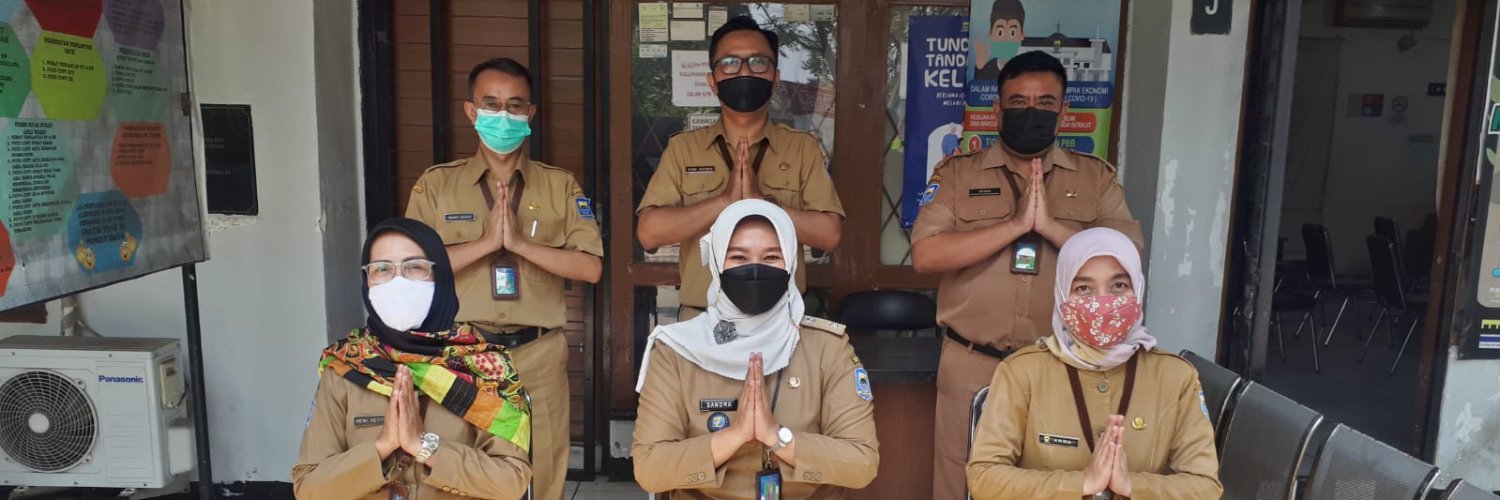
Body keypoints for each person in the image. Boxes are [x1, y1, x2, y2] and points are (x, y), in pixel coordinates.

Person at [911, 50, 1143, 499]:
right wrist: (1013, 225)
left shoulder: (1096, 180)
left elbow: (1128, 260)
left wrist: (1050, 227)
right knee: (961, 480)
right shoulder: (958, 175)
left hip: (1061, 363)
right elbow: (926, 255)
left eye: (1043, 102)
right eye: (1017, 102)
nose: (1029, 112)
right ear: (997, 110)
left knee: (1052, 481)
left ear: (1063, 111)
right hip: (971, 362)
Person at [405, 58, 603, 500]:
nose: (503, 115)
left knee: (542, 471)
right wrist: (484, 243)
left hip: (537, 355)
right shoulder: (437, 186)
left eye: (515, 106)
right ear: (470, 111)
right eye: (491, 104)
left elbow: (590, 267)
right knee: (456, 470)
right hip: (460, 354)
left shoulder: (559, 187)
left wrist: (519, 244)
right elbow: (413, 270)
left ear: (530, 114)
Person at [632, 200, 878, 499]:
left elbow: (862, 462)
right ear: (717, 263)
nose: (755, 269)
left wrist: (776, 437)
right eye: (738, 257)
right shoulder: (677, 350)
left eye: (772, 257)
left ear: (790, 264)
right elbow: (650, 469)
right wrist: (734, 437)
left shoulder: (827, 348)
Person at [967, 228, 1222, 499]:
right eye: (1084, 288)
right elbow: (984, 477)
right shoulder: (1022, 372)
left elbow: (1205, 486)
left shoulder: (1175, 376)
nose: (1102, 301)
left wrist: (1132, 486)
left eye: (1119, 286)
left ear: (1138, 288)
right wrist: (1083, 483)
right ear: (1063, 294)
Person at [293, 218, 532, 499]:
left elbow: (510, 482)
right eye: (381, 269)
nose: (398, 281)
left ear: (441, 277)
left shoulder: (486, 369)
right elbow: (309, 487)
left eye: (415, 267)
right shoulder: (346, 366)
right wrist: (381, 447)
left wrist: (423, 447)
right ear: (366, 281)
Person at [637, 16, 844, 321]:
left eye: (758, 62)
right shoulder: (684, 149)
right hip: (702, 321)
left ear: (775, 77)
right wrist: (724, 202)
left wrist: (763, 204)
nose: (745, 71)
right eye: (731, 62)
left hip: (780, 322)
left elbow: (829, 235)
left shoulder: (801, 149)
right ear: (712, 79)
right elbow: (649, 234)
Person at [973, 0, 1025, 81]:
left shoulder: (1027, 70)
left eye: (1012, 33)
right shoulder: (985, 69)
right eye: (1000, 32)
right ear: (990, 34)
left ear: (1022, 35)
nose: (1006, 39)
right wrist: (979, 69)